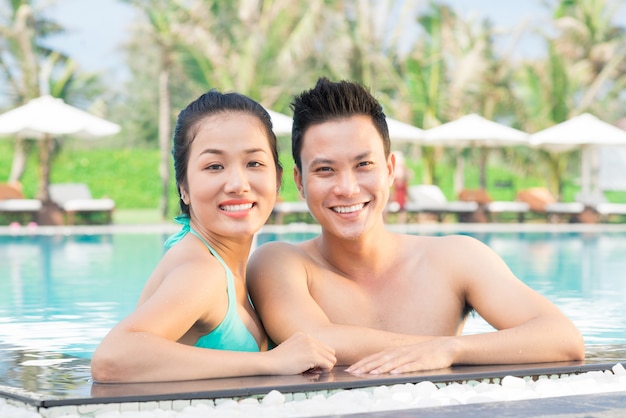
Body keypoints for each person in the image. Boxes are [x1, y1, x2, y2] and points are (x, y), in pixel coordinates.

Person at [247, 78, 584, 375]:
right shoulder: (279, 263)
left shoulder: (454, 258)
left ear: (390, 170)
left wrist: (451, 350)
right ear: (300, 182)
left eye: (363, 164)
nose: (347, 188)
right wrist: (431, 346)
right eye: (325, 170)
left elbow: (562, 338)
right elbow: (314, 339)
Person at [91, 90, 336, 383]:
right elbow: (111, 360)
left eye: (254, 163)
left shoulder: (232, 266)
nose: (237, 184)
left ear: (278, 178)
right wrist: (270, 361)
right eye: (214, 166)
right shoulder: (202, 272)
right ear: (184, 186)